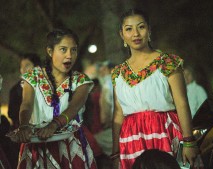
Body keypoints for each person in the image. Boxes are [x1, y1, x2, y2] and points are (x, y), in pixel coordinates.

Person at [111, 8, 202, 169]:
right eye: (129, 29)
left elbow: (181, 103)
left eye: (141, 27)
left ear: (149, 30)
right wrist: (115, 151)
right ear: (121, 35)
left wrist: (188, 142)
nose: (136, 34)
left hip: (164, 132)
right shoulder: (118, 73)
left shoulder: (167, 62)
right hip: (131, 139)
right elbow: (118, 114)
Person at [14, 28, 97, 169]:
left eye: (74, 50)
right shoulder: (33, 77)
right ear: (50, 51)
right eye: (63, 50)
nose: (69, 55)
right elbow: (26, 105)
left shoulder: (80, 80)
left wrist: (54, 125)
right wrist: (24, 126)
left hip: (71, 147)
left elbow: (74, 107)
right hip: (36, 146)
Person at [8, 53, 41, 130]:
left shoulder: (46, 86)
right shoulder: (15, 90)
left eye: (27, 65)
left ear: (37, 67)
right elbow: (12, 114)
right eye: (21, 66)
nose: (23, 69)